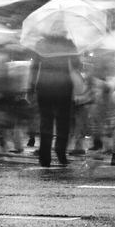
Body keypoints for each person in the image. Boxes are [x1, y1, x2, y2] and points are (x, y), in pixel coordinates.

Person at [31, 35, 77, 168]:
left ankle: (45, 157)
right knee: (63, 121)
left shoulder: (41, 43)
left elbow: (34, 66)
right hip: (64, 86)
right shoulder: (69, 43)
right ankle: (61, 152)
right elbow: (76, 64)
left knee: (46, 122)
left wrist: (30, 87)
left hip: (44, 86)